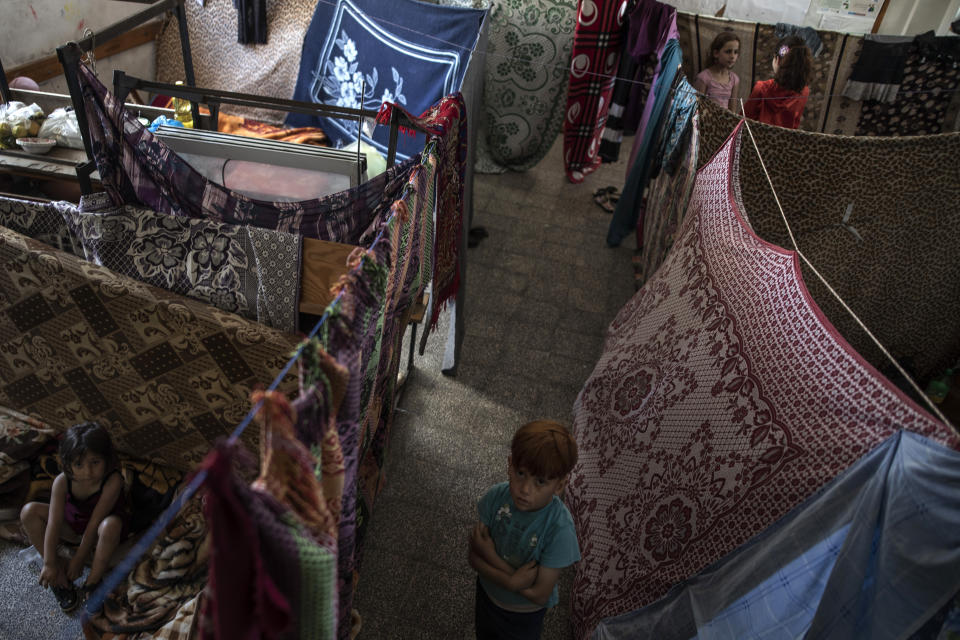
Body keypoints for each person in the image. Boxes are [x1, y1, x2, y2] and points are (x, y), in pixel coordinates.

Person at [468, 420, 581, 639]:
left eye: (540, 481)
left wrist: (492, 559)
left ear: (559, 486)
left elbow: (540, 595)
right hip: (486, 598)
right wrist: (512, 580)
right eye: (520, 473)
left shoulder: (560, 530)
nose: (525, 489)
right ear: (509, 465)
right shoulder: (496, 497)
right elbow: (472, 557)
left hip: (523, 617)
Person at [20, 422, 129, 613]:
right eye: (79, 464)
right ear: (68, 463)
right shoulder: (62, 481)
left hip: (100, 533)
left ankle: (93, 582)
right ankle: (58, 578)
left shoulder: (113, 480)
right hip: (72, 526)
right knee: (28, 511)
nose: (87, 472)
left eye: (95, 463)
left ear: (106, 459)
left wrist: (79, 558)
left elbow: (95, 522)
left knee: (109, 525)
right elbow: (54, 524)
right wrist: (49, 562)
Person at [743, 35, 813, 129]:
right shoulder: (804, 91)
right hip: (784, 142)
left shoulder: (761, 88)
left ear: (777, 60)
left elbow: (744, 120)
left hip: (755, 141)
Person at [692, 31, 741, 111]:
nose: (732, 56)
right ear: (716, 53)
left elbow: (733, 111)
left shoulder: (734, 79)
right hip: (706, 121)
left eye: (735, 52)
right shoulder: (704, 78)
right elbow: (697, 108)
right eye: (728, 51)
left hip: (725, 122)